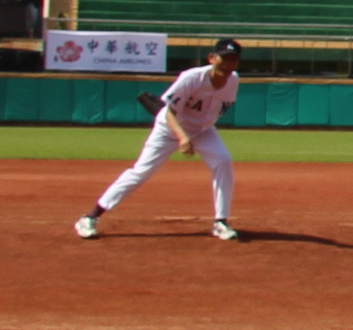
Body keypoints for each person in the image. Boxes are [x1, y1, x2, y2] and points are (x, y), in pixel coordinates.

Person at [76, 38, 244, 242]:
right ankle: (90, 217)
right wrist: (182, 136)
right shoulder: (191, 78)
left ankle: (221, 222)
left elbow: (215, 112)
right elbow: (169, 113)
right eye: (224, 58)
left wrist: (195, 131)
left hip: (202, 130)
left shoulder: (233, 80)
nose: (228, 63)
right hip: (168, 129)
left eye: (233, 59)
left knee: (223, 161)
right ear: (212, 58)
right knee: (141, 172)